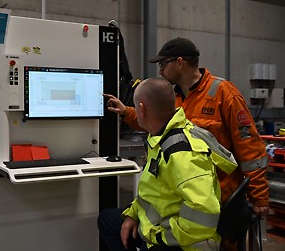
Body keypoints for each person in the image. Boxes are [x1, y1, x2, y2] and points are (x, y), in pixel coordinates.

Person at [103, 37, 269, 249]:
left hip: (217, 197)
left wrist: (259, 196)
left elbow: (250, 149)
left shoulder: (224, 94)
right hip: (182, 199)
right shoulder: (175, 97)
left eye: (163, 64)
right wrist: (127, 112)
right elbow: (155, 121)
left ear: (179, 62)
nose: (161, 71)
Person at [98, 78, 236, 250]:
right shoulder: (162, 137)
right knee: (107, 219)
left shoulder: (182, 153)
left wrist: (160, 238)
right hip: (165, 222)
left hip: (181, 243)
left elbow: (203, 214)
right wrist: (132, 214)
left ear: (141, 109)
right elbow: (152, 190)